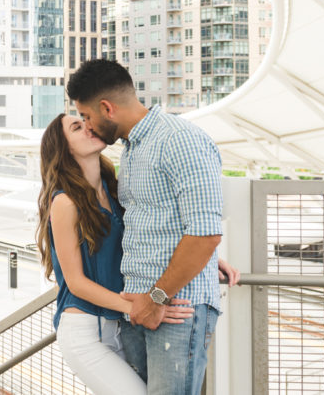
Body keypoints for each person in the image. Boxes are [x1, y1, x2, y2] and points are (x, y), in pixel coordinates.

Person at [67, 58, 235, 394]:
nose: (87, 126)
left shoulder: (179, 140)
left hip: (176, 308)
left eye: (86, 116)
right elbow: (158, 226)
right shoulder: (132, 149)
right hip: (138, 309)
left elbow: (205, 233)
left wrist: (157, 297)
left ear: (107, 108)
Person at [37, 113, 194, 394]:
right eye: (76, 127)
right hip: (84, 332)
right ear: (63, 148)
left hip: (120, 327)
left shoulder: (114, 191)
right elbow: (75, 282)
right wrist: (142, 307)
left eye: (86, 121)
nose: (88, 127)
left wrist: (205, 256)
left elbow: (152, 237)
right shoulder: (64, 202)